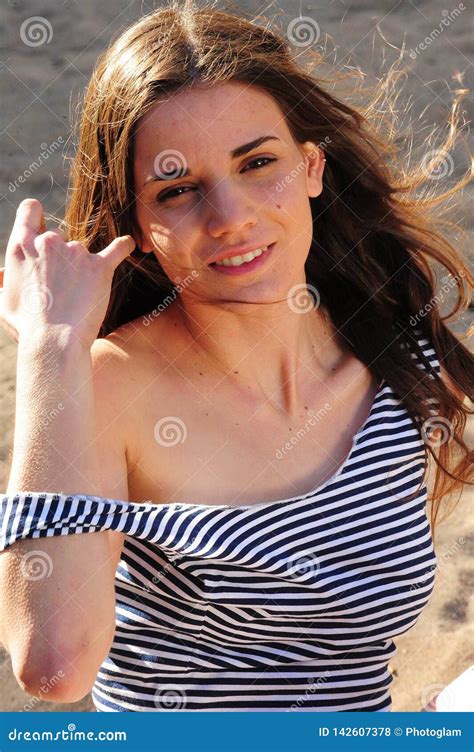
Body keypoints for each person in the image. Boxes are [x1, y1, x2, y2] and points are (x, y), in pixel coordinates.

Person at [0, 1, 472, 713]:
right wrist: (50, 349)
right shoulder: (102, 385)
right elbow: (55, 666)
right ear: (138, 224)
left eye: (258, 163)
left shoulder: (392, 354)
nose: (231, 218)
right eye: (178, 189)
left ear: (312, 167)